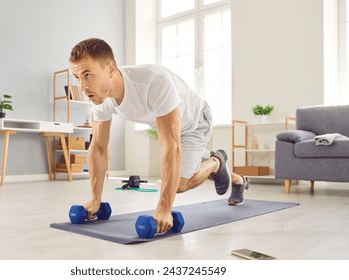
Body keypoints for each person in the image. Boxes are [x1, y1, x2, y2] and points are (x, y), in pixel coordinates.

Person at [69, 38, 249, 234]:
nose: (83, 86)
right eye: (77, 78)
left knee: (179, 185)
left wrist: (164, 209)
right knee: (184, 168)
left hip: (195, 123)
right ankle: (232, 176)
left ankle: (216, 161)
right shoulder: (101, 99)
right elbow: (98, 147)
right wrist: (96, 199)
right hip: (170, 125)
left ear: (111, 69)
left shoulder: (153, 82)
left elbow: (172, 147)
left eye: (88, 75)